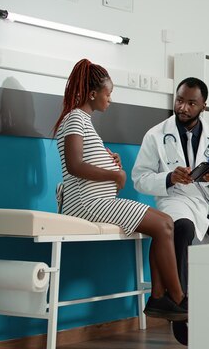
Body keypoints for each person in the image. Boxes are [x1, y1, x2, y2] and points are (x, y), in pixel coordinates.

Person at [53, 59, 187, 322]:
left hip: (98, 200)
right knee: (163, 226)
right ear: (93, 93)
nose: (110, 99)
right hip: (86, 204)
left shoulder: (84, 121)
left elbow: (86, 160)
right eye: (108, 93)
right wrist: (114, 173)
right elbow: (74, 165)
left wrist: (107, 159)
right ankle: (177, 299)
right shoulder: (75, 119)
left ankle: (160, 297)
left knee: (166, 223)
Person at [132, 77, 209, 296]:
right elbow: (140, 178)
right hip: (176, 199)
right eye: (179, 100)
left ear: (204, 106)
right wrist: (169, 178)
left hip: (208, 201)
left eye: (191, 103)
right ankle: (178, 303)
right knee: (182, 228)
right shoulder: (155, 136)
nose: (183, 108)